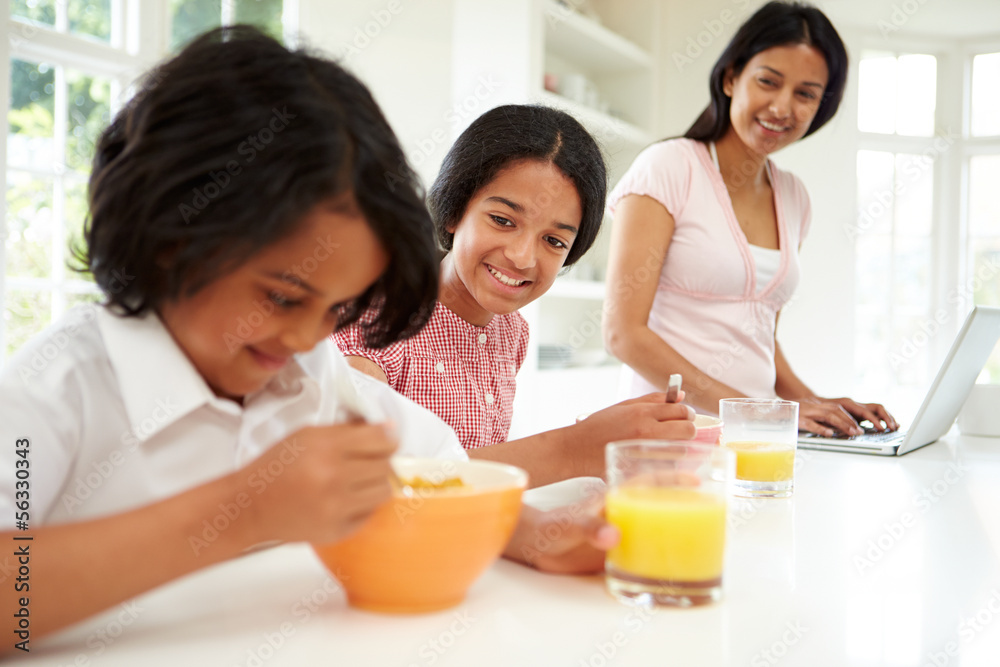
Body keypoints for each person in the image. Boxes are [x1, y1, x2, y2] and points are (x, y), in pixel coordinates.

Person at [0, 27, 614, 645]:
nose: (306, 336)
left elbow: (441, 469)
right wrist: (244, 510)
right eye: (283, 296)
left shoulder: (309, 373)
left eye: (336, 307)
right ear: (169, 242)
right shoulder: (56, 390)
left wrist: (535, 536)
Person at [335, 105, 695, 487]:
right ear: (455, 211)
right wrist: (573, 449)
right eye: (503, 220)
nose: (523, 257)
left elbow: (476, 486)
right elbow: (370, 479)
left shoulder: (512, 332)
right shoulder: (372, 310)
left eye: (554, 241)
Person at [602, 1, 898, 437]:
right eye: (768, 81)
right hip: (666, 437)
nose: (782, 107)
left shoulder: (794, 196)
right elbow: (623, 333)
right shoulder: (668, 167)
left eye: (805, 93)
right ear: (730, 78)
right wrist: (758, 411)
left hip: (755, 440)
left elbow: (759, 337)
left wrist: (810, 404)